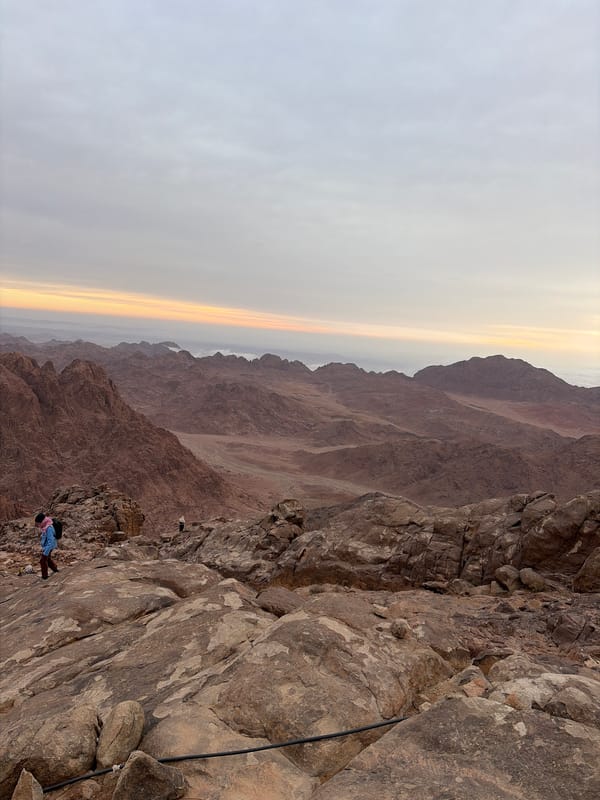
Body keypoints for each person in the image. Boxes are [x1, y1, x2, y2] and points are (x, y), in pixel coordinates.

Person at [35, 512, 59, 580]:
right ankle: (55, 568)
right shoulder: (45, 526)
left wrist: (46, 552)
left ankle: (44, 576)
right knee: (47, 559)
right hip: (47, 547)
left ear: (42, 521)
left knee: (43, 561)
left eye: (38, 523)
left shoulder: (48, 528)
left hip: (48, 547)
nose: (38, 525)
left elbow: (50, 541)